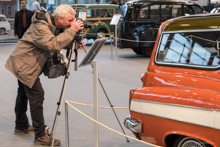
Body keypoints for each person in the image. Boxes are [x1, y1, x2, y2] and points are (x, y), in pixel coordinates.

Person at [5, 4, 84, 146]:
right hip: (25, 66)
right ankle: (41, 135)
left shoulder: (49, 23)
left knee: (23, 94)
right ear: (60, 18)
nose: (72, 23)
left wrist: (70, 42)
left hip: (22, 62)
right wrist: (72, 31)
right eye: (70, 21)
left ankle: (21, 125)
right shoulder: (41, 25)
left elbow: (52, 39)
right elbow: (51, 44)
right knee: (37, 95)